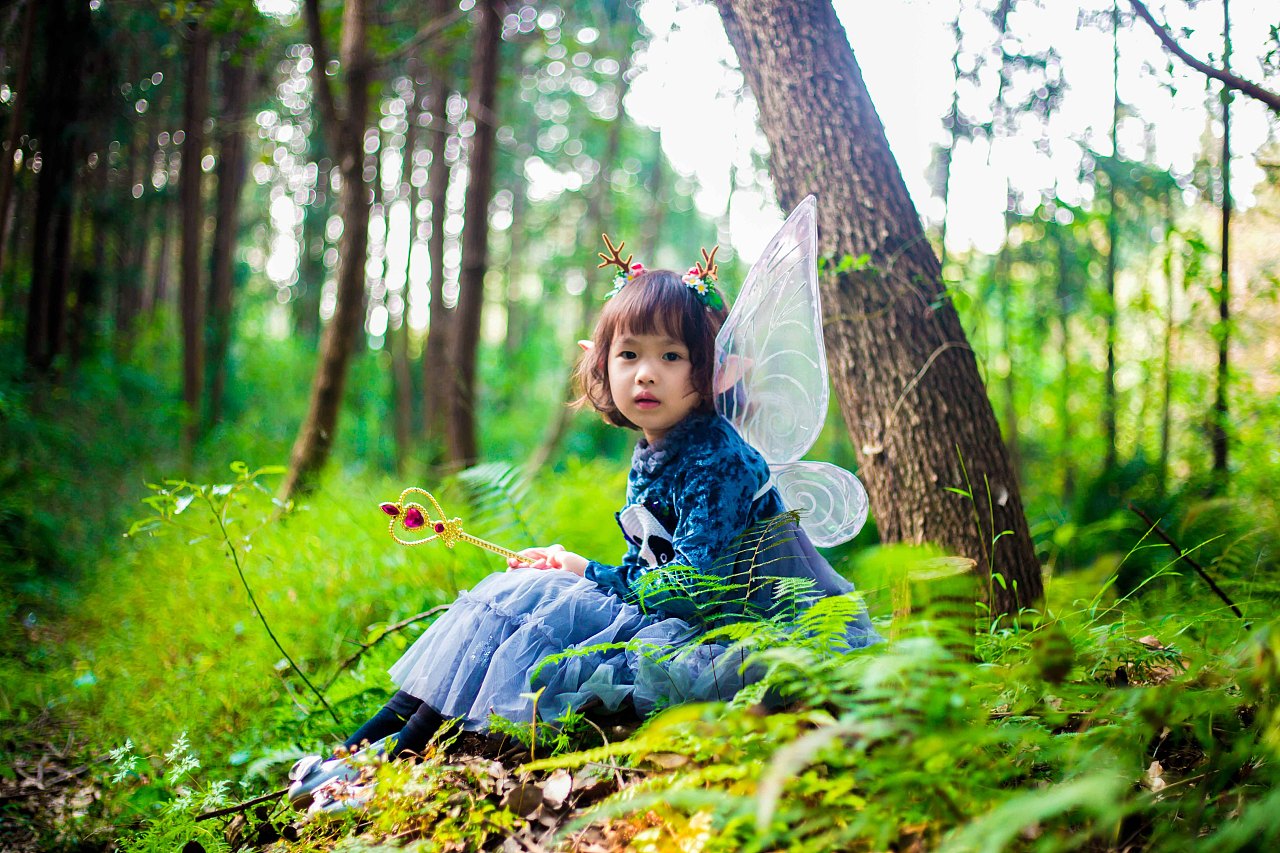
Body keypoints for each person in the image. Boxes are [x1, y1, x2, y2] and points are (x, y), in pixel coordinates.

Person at [288, 238, 880, 813]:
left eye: (671, 357)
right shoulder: (658, 448)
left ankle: (371, 767)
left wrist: (583, 570)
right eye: (629, 355)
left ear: (714, 372)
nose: (646, 375)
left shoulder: (718, 459)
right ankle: (358, 755)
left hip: (743, 643)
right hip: (687, 619)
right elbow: (647, 565)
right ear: (604, 365)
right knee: (511, 593)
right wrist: (569, 566)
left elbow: (697, 589)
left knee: (533, 597)